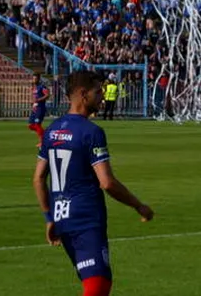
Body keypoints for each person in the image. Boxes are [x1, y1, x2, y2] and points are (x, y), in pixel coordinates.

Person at [32, 71, 154, 296]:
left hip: (62, 218)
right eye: (97, 92)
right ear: (82, 94)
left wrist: (49, 218)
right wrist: (139, 205)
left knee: (94, 282)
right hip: (85, 218)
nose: (102, 97)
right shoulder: (92, 132)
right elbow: (107, 183)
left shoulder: (52, 130)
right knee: (98, 285)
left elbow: (38, 178)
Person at [29, 73, 50, 148]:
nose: (34, 80)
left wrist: (39, 100)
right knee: (31, 125)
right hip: (35, 108)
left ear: (38, 79)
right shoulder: (34, 87)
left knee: (37, 125)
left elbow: (47, 95)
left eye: (35, 79)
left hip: (40, 108)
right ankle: (45, 135)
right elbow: (34, 97)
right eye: (33, 78)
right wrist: (33, 102)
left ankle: (42, 142)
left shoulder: (42, 86)